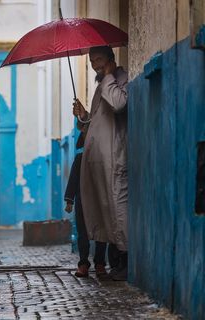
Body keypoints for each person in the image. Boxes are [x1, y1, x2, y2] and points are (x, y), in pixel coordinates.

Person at [72, 46, 129, 281]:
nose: (95, 64)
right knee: (104, 210)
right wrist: (84, 115)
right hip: (97, 160)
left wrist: (107, 76)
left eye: (99, 59)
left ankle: (126, 260)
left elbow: (118, 104)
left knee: (117, 208)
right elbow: (97, 122)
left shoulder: (121, 79)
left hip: (114, 158)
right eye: (92, 60)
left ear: (111, 59)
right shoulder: (101, 85)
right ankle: (114, 262)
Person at [64, 132, 111, 278]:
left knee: (101, 232)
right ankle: (83, 263)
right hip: (82, 201)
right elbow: (73, 180)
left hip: (99, 201)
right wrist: (69, 200)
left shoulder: (103, 159)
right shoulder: (79, 159)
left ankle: (100, 263)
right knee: (82, 232)